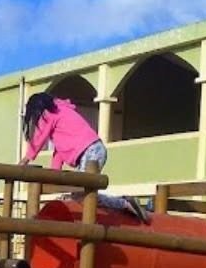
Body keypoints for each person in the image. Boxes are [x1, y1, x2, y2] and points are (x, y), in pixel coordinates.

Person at [16, 93, 149, 222]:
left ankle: (124, 203)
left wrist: (25, 159)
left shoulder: (48, 114)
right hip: (94, 150)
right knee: (80, 194)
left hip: (90, 152)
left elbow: (38, 139)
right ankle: (124, 203)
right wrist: (55, 174)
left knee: (81, 195)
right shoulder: (61, 112)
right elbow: (59, 151)